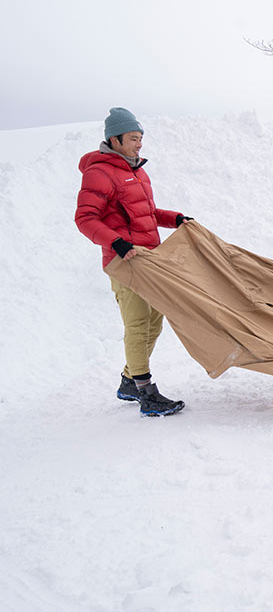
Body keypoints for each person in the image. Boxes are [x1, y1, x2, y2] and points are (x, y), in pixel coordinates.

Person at [74, 107, 190, 417]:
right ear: (115, 139)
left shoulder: (136, 170)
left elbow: (147, 214)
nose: (140, 144)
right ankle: (145, 392)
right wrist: (116, 242)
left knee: (154, 322)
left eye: (141, 138)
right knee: (138, 324)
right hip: (123, 260)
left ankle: (129, 381)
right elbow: (85, 218)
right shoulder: (99, 172)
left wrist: (175, 219)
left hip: (148, 259)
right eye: (134, 138)